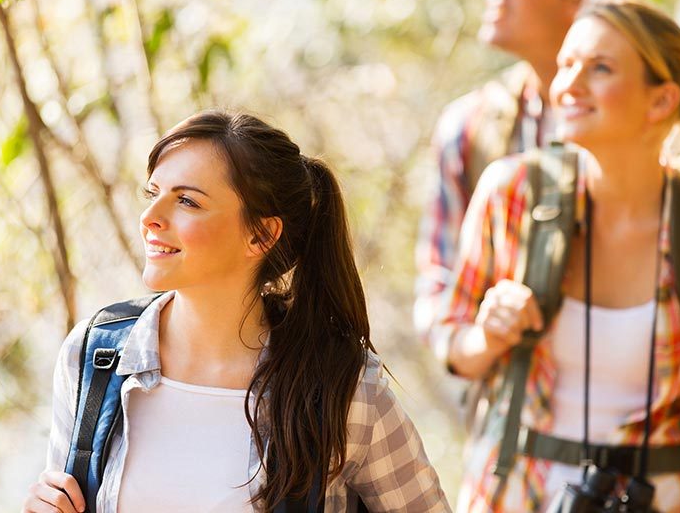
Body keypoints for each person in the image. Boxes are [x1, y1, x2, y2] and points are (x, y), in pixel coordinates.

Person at [437, 0, 680, 512]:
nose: (567, 86)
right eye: (566, 64)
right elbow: (453, 345)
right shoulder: (512, 195)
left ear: (661, 100)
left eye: (598, 68)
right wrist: (487, 334)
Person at [23, 111, 450, 512]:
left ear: (261, 235)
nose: (150, 218)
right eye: (153, 193)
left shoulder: (344, 389)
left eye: (187, 201)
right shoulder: (96, 356)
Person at [415, 0, 647, 356]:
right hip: (515, 415)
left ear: (582, 2)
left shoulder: (679, 117)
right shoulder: (469, 128)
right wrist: (481, 342)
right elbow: (439, 297)